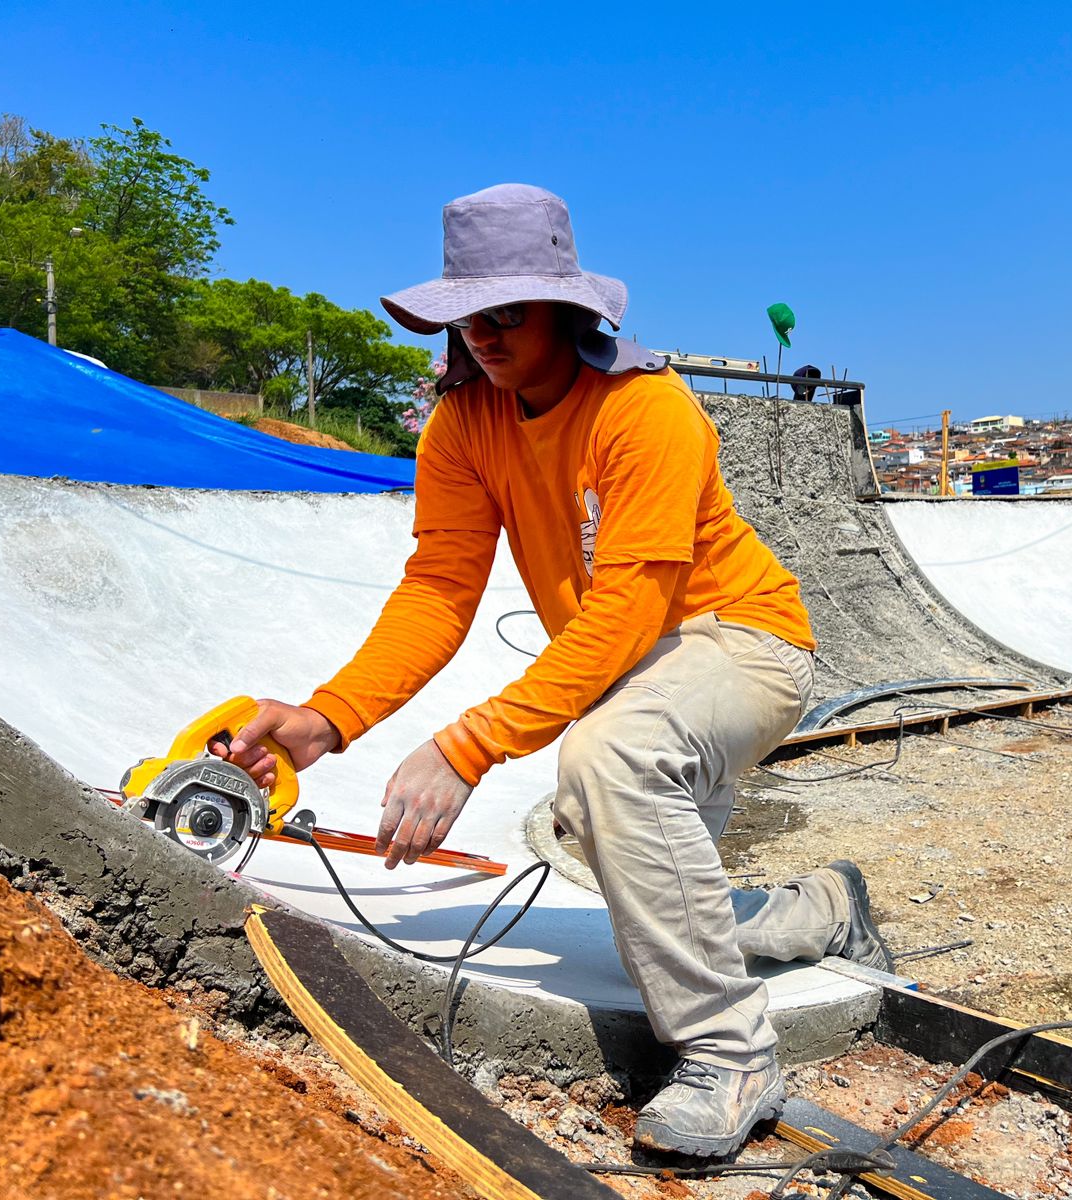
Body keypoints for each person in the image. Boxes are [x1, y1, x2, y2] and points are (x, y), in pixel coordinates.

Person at [217, 183, 892, 1159]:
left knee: (607, 763)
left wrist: (468, 746)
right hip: (635, 673)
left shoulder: (643, 409)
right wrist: (329, 719)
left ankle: (731, 1054)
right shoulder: (462, 426)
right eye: (465, 316)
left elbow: (631, 606)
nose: (483, 335)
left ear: (566, 311)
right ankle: (812, 913)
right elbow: (439, 589)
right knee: (646, 899)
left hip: (740, 643)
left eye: (507, 311)